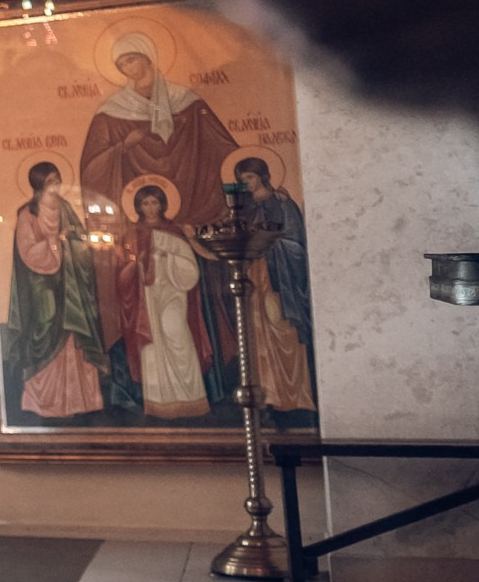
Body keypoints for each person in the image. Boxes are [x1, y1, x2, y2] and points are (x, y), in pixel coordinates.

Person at [79, 33, 239, 225]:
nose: (127, 68)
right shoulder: (111, 112)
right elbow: (91, 169)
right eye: (121, 65)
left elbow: (220, 146)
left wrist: (253, 178)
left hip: (194, 197)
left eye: (131, 60)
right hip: (138, 212)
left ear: (148, 57)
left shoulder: (186, 101)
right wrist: (123, 147)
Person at [3, 162, 107, 418]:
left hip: (71, 285)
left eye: (58, 180)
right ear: (39, 185)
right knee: (46, 330)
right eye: (51, 182)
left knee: (73, 336)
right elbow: (27, 252)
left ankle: (79, 402)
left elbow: (81, 241)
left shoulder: (66, 209)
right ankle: (45, 402)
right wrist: (54, 243)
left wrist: (75, 243)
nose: (57, 185)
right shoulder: (27, 214)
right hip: (43, 286)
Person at [116, 183, 213, 418]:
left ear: (163, 204)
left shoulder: (175, 231)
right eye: (145, 203)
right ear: (138, 206)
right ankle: (159, 401)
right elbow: (121, 271)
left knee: (175, 331)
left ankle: (191, 396)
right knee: (152, 343)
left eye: (154, 202)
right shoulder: (131, 233)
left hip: (173, 291)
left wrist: (165, 257)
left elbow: (190, 267)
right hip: (146, 296)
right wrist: (136, 264)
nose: (150, 208)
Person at [235, 156, 317, 412]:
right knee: (259, 334)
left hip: (280, 277)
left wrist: (269, 243)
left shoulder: (282, 203)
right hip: (254, 277)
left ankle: (295, 394)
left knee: (284, 328)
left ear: (262, 176)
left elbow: (297, 246)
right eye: (241, 179)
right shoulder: (242, 208)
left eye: (249, 177)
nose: (246, 183)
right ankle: (270, 395)